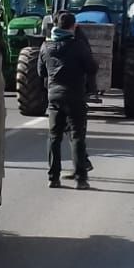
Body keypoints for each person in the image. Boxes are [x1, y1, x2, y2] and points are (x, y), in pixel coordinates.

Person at [38, 11, 97, 190]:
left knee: (54, 137)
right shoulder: (78, 45)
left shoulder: (45, 47)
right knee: (77, 136)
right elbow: (92, 67)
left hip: (54, 97)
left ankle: (53, 178)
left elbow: (41, 73)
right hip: (75, 96)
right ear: (74, 26)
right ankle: (81, 179)